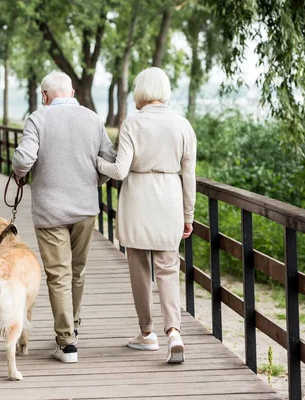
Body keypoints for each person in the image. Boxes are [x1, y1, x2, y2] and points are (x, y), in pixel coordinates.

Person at [12, 71, 116, 363]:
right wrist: (91, 184)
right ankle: (74, 328)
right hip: (85, 208)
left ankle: (67, 342)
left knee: (59, 274)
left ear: (44, 96)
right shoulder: (93, 118)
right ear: (72, 93)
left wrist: (21, 175)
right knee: (77, 271)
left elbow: (23, 160)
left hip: (50, 211)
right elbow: (109, 161)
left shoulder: (38, 118)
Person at [96, 67, 197, 364]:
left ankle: (147, 333)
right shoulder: (183, 125)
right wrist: (188, 215)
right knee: (168, 268)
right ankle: (174, 332)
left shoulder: (133, 123)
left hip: (138, 199)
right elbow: (189, 176)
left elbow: (119, 170)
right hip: (169, 198)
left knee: (139, 270)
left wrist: (96, 162)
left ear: (141, 91)